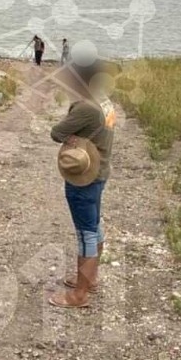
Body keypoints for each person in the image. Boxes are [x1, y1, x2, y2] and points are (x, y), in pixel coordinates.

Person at [48, 59, 115, 308]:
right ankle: (91, 279)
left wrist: (73, 138)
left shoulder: (86, 107)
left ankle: (80, 294)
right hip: (101, 170)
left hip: (85, 176)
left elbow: (56, 133)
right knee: (94, 226)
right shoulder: (104, 101)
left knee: (85, 233)